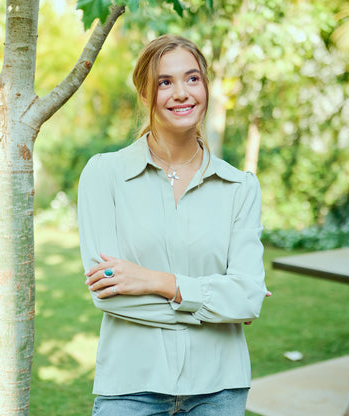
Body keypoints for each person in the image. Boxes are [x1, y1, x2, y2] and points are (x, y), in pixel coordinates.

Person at [78, 34, 268, 416]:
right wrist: (218, 301)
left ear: (205, 87)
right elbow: (106, 291)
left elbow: (248, 297)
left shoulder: (240, 187)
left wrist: (154, 281)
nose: (182, 93)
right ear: (146, 96)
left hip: (220, 389)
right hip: (130, 386)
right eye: (165, 82)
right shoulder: (105, 175)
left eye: (192, 78)